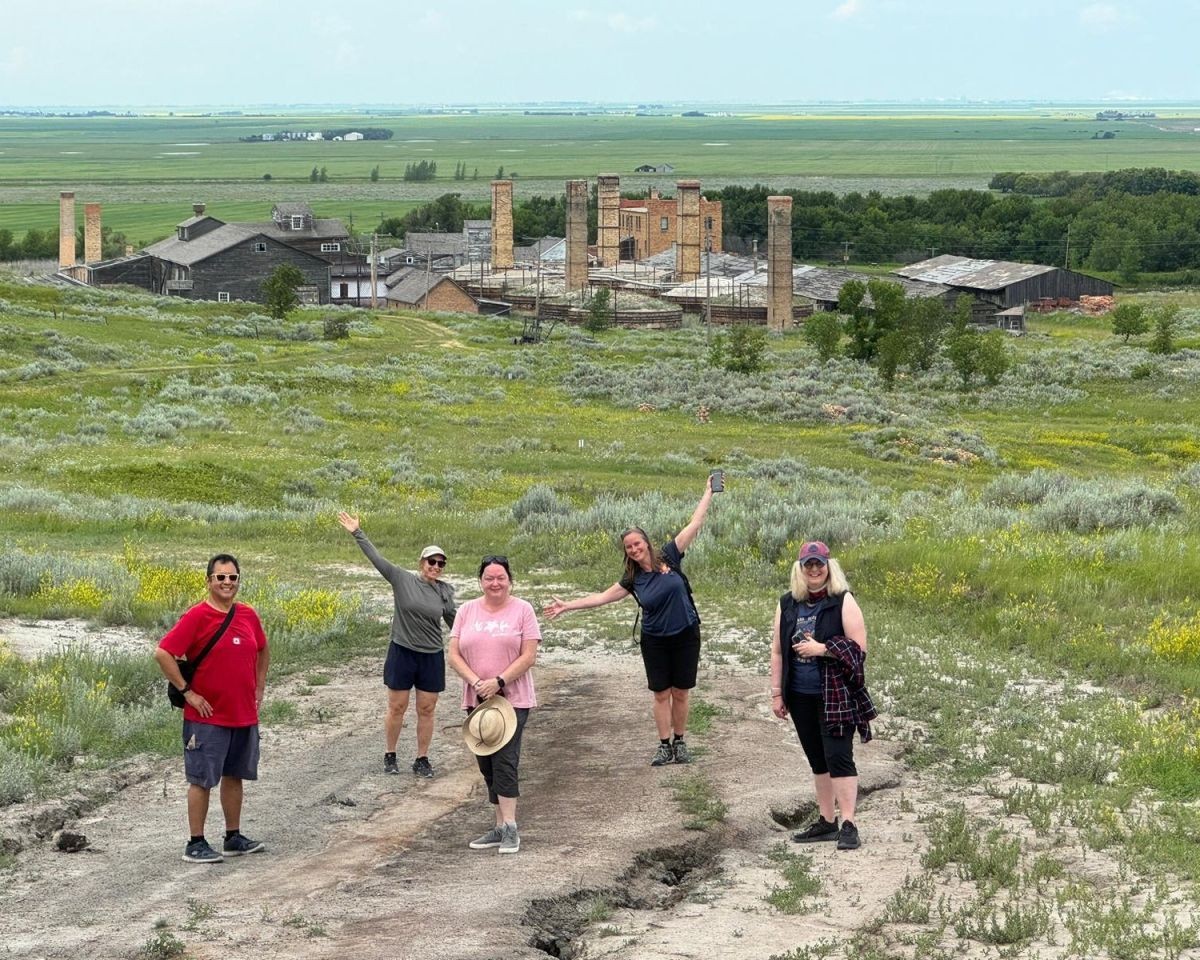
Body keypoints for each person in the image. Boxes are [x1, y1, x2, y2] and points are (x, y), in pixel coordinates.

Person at [545, 478, 714, 766]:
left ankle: (681, 742)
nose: (633, 549)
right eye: (628, 547)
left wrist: (709, 491)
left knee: (681, 692)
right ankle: (664, 745)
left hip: (686, 634)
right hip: (655, 641)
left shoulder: (670, 555)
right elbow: (601, 598)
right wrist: (567, 606)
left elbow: (694, 524)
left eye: (636, 543)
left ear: (646, 542)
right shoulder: (632, 579)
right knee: (661, 693)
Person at [154, 553, 270, 864]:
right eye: (221, 577)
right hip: (207, 716)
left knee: (235, 775)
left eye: (232, 577)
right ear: (209, 581)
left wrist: (259, 686)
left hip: (243, 713)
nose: (227, 583)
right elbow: (163, 653)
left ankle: (233, 837)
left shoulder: (247, 615)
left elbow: (262, 648)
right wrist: (188, 693)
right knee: (201, 778)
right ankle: (196, 842)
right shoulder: (197, 616)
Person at [770, 541, 877, 852]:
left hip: (835, 693)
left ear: (829, 567)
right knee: (818, 759)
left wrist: (822, 649)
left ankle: (848, 824)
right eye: (808, 565)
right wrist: (777, 693)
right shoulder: (787, 603)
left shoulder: (843, 601)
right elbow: (777, 650)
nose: (814, 570)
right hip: (800, 694)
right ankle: (826, 821)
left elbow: (860, 651)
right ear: (800, 569)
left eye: (819, 564)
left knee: (839, 756)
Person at [337, 512, 456, 778]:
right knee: (397, 706)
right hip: (402, 651)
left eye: (440, 563)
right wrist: (358, 532)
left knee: (426, 708)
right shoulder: (402, 579)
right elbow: (377, 559)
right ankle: (390, 754)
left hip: (431, 655)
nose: (435, 567)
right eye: (431, 561)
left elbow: (455, 623)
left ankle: (421, 758)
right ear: (421, 562)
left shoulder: (445, 593)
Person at [447, 556, 541, 855]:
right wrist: (477, 682)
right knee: (486, 761)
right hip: (477, 700)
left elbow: (528, 656)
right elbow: (454, 654)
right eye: (489, 578)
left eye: (500, 577)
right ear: (481, 581)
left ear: (509, 580)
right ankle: (499, 826)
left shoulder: (523, 610)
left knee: (505, 760)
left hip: (512, 700)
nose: (495, 583)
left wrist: (498, 682)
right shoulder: (466, 611)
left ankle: (511, 827)